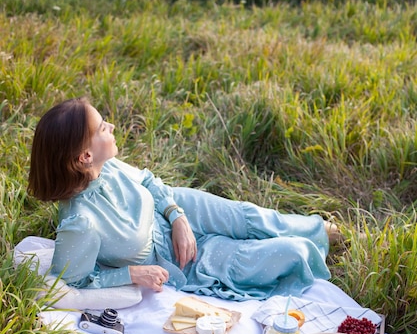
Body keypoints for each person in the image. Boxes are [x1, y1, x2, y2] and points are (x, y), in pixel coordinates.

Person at [28, 97, 335, 301]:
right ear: (84, 156)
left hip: (177, 209)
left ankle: (323, 230)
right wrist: (132, 274)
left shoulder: (104, 167)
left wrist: (178, 217)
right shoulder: (80, 222)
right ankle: (310, 245)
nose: (111, 127)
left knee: (248, 217)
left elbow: (148, 181)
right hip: (180, 262)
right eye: (101, 128)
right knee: (289, 252)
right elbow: (71, 283)